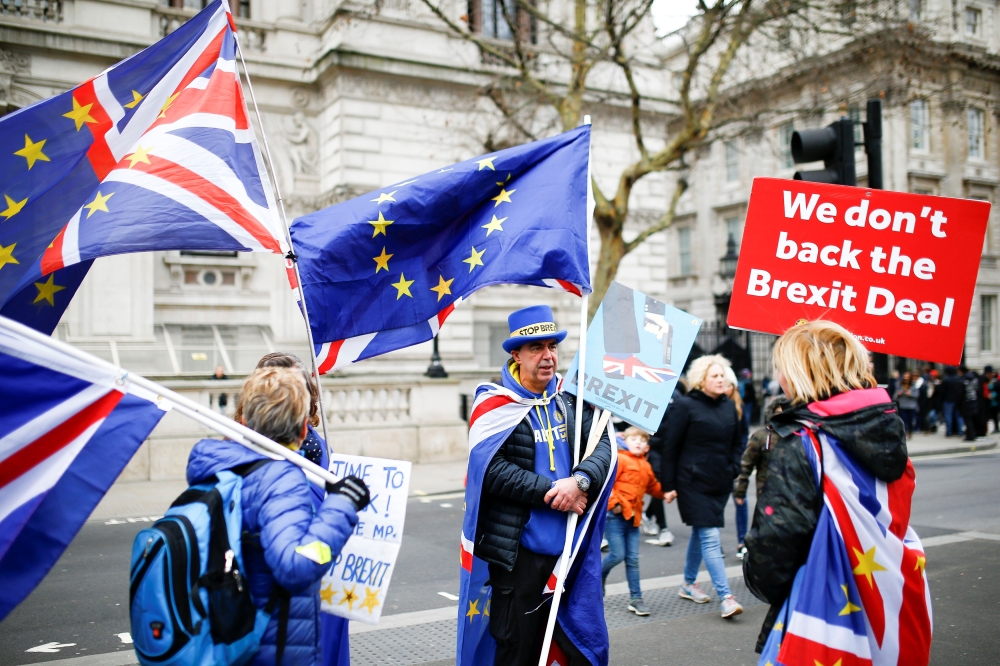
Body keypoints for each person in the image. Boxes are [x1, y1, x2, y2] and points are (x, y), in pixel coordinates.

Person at [743, 320, 912, 656]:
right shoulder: (886, 423)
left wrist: (757, 575)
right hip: (882, 590)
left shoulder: (801, 442)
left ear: (797, 374)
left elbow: (775, 547)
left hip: (819, 605)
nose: (779, 377)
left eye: (781, 369)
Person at [185, 366, 370, 665]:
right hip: (271, 646)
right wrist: (341, 508)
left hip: (226, 635)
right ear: (301, 430)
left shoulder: (217, 468)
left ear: (244, 421)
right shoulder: (281, 480)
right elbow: (296, 566)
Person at [473, 305, 613, 666]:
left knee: (576, 649)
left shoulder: (572, 397)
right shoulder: (493, 404)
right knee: (518, 650)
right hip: (519, 558)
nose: (548, 357)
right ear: (516, 354)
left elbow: (604, 446)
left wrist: (581, 480)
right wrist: (555, 492)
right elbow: (491, 471)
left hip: (571, 550)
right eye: (536, 348)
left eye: (552, 346)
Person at [660, 354, 744, 619]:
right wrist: (669, 484)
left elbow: (737, 441)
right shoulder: (685, 405)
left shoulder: (729, 406)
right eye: (715, 376)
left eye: (723, 376)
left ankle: (687, 583)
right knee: (709, 535)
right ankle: (726, 597)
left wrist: (734, 467)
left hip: (720, 480)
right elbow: (669, 447)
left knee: (701, 532)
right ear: (701, 379)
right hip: (692, 481)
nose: (721, 380)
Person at [601, 426, 668, 616]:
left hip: (634, 519)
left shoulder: (645, 466)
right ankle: (598, 577)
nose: (638, 443)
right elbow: (606, 484)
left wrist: (666, 493)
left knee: (633, 560)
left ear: (647, 447)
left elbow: (653, 487)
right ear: (625, 442)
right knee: (617, 555)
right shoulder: (620, 459)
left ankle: (636, 599)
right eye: (634, 439)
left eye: (642, 440)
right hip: (614, 518)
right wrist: (615, 505)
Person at [732, 396, 790, 545]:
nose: (781, 415)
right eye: (777, 412)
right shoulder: (761, 437)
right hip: (766, 495)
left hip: (792, 495)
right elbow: (746, 465)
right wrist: (740, 491)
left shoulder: (796, 435)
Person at [723, 366, 749, 560]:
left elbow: (743, 435)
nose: (723, 387)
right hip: (719, 462)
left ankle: (742, 541)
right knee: (718, 503)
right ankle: (715, 543)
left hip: (735, 461)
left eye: (727, 384)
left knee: (741, 500)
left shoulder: (738, 408)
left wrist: (738, 458)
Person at [941, 366, 965, 437]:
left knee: (948, 416)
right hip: (957, 399)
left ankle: (949, 432)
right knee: (959, 416)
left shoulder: (945, 379)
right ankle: (960, 431)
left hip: (948, 400)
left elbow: (942, 391)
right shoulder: (958, 378)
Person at [894, 371, 919, 439]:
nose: (906, 379)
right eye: (905, 377)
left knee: (911, 420)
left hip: (911, 405)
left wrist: (910, 394)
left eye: (907, 377)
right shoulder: (899, 384)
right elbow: (894, 396)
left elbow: (917, 395)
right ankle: (905, 432)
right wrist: (899, 394)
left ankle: (910, 431)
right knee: (904, 420)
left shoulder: (913, 385)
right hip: (903, 405)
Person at [961, 367, 980, 441]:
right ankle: (972, 434)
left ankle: (970, 436)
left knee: (967, 420)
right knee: (972, 419)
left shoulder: (964, 379)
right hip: (974, 400)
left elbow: (961, 392)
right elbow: (977, 389)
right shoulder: (974, 379)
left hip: (966, 401)